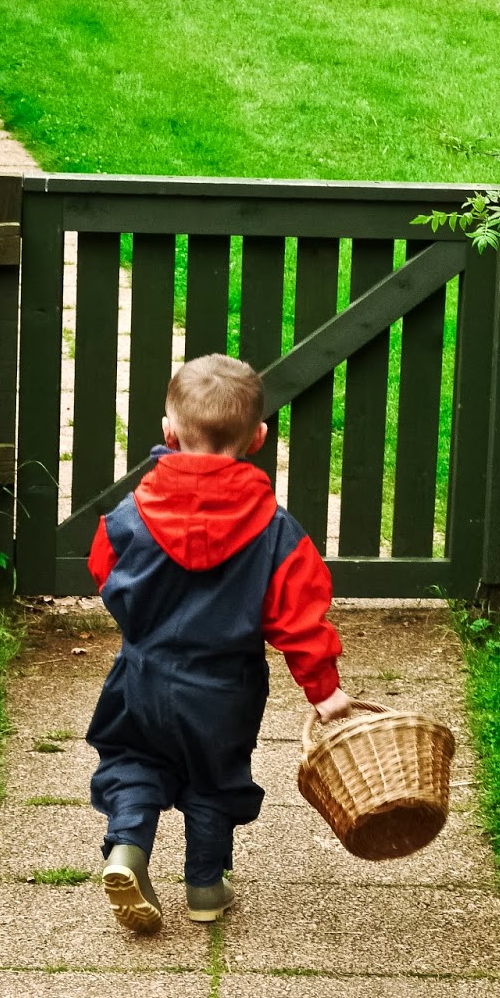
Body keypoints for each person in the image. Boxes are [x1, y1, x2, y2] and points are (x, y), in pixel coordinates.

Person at [85, 353, 353, 934]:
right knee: (214, 776)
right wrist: (324, 689)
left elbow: (104, 570)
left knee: (134, 760)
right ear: (258, 438)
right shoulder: (275, 530)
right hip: (225, 687)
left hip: (142, 675)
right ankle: (205, 886)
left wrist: (144, 621)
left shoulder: (133, 514)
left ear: (168, 432)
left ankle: (127, 847)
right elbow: (299, 616)